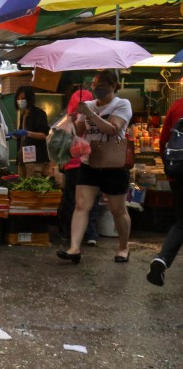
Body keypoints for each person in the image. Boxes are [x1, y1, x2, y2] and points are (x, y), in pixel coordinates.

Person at [57, 70, 133, 265]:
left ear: (114, 86)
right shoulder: (88, 105)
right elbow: (82, 132)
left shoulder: (122, 104)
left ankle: (124, 247)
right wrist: (74, 119)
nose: (98, 88)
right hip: (89, 162)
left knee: (118, 210)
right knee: (81, 205)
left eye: (103, 85)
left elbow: (113, 129)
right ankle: (74, 248)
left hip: (114, 163)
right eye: (95, 84)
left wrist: (90, 113)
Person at [57, 88, 101, 247]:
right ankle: (90, 234)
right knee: (92, 200)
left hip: (75, 164)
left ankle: (69, 232)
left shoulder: (69, 120)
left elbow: (60, 142)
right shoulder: (95, 116)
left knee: (72, 200)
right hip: (91, 163)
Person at [147, 95, 183, 286]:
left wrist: (171, 172)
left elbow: (164, 142)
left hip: (178, 173)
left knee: (181, 222)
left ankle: (161, 261)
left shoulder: (177, 105)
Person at [11, 86, 51, 178]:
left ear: (30, 98)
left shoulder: (39, 114)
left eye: (23, 98)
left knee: (33, 186)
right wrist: (13, 135)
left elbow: (45, 135)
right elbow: (22, 137)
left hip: (36, 160)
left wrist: (28, 133)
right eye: (18, 99)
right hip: (22, 158)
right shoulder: (23, 115)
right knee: (22, 188)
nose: (20, 101)